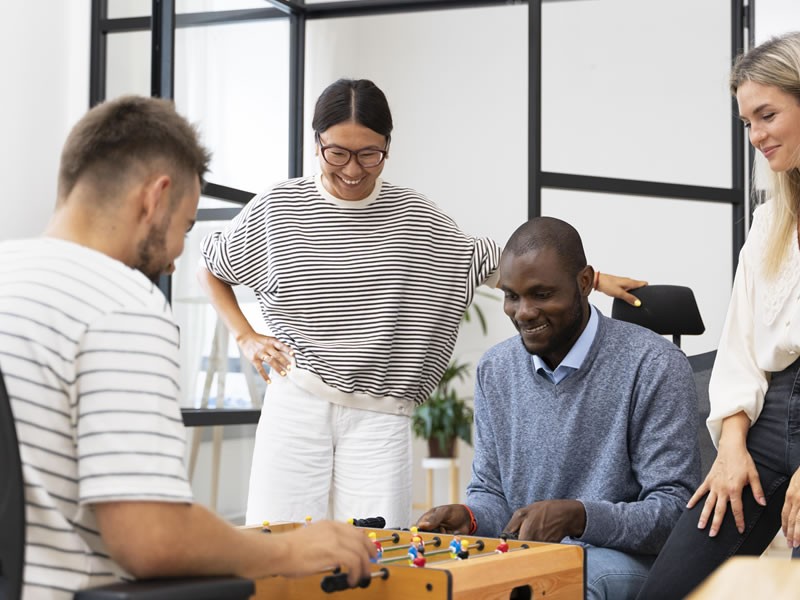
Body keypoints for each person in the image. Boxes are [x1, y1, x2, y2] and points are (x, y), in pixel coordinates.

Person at [198, 78, 648, 529]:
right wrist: (246, 336)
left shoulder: (413, 216)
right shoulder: (279, 207)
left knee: (377, 564)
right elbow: (210, 265)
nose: (353, 169)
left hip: (380, 416)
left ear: (387, 147)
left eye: (369, 154)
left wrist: (594, 279)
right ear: (316, 143)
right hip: (296, 403)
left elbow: (496, 264)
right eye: (337, 152)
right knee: (277, 551)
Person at [0, 95, 375, 599]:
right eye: (186, 227)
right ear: (156, 197)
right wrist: (290, 550)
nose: (176, 257)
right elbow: (149, 538)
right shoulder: (121, 304)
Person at [415, 217, 700, 600]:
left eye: (542, 294)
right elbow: (492, 494)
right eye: (511, 296)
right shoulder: (495, 369)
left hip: (623, 559)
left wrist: (580, 517)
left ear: (584, 283)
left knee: (556, 585)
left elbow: (674, 513)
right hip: (531, 558)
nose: (524, 312)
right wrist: (470, 517)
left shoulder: (655, 365)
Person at [635, 31, 800, 600]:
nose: (755, 136)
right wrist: (731, 447)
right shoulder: (769, 222)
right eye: (746, 123)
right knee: (668, 592)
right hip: (765, 423)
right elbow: (739, 348)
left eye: (768, 115)